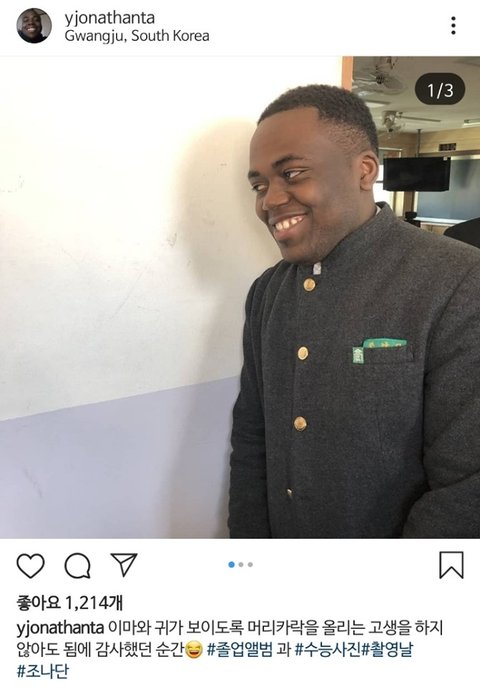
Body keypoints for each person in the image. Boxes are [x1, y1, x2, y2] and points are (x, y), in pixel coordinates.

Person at [229, 84, 480, 538]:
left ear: (364, 170)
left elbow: (467, 484)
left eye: (293, 174)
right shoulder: (266, 293)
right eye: (259, 185)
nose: (269, 200)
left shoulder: (458, 280)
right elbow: (252, 438)